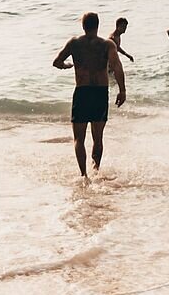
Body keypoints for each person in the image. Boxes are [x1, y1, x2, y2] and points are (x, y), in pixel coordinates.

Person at [53, 12, 126, 177]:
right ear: (97, 25)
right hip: (100, 93)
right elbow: (117, 67)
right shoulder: (107, 45)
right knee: (98, 137)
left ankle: (83, 175)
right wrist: (122, 90)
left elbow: (56, 62)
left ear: (83, 26)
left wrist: (67, 66)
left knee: (79, 138)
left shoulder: (74, 43)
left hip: (82, 92)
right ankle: (96, 170)